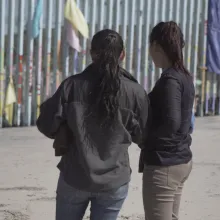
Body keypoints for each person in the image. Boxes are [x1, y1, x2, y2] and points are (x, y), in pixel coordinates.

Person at [37, 29, 150, 220]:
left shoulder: (71, 86)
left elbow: (46, 123)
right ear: (122, 55)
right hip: (114, 180)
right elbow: (144, 136)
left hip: (75, 176)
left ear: (92, 53)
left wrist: (65, 128)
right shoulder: (135, 92)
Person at [140, 21, 195, 220]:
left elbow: (172, 123)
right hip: (180, 160)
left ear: (156, 46)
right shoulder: (185, 76)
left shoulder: (170, 79)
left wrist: (146, 139)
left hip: (165, 165)